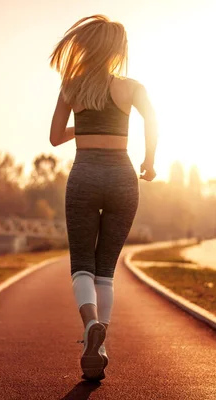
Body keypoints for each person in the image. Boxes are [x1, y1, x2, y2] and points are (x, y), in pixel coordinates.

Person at [49, 15, 158, 381]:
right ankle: (101, 342)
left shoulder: (72, 85)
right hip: (123, 178)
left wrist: (84, 124)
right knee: (106, 270)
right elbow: (152, 120)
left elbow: (53, 137)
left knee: (82, 264)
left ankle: (91, 325)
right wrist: (150, 161)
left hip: (84, 176)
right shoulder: (132, 87)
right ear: (117, 50)